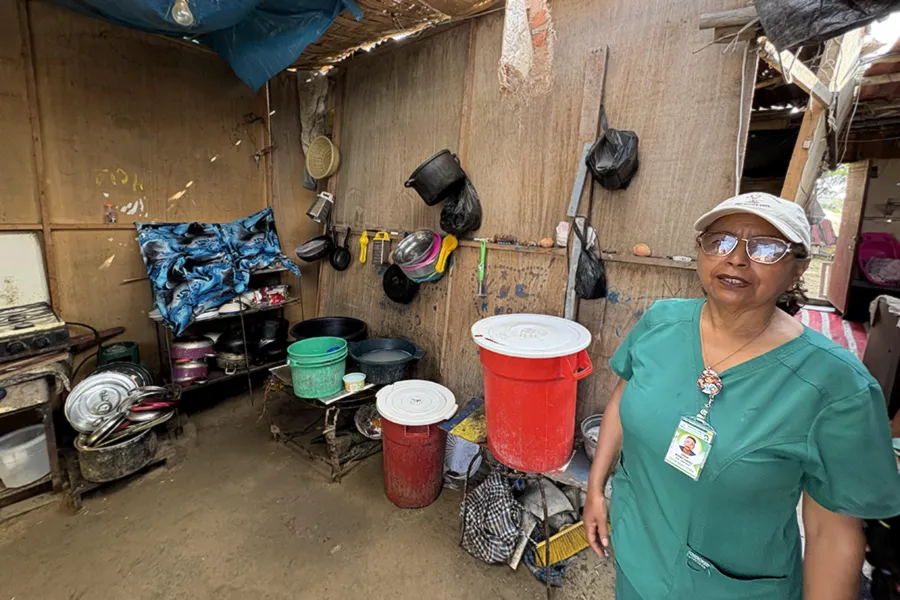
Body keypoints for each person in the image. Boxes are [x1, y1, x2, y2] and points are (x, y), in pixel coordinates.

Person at [582, 192, 900, 600]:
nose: (735, 259)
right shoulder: (661, 322)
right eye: (720, 242)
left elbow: (830, 534)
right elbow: (621, 401)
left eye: (766, 248)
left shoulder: (837, 387)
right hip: (637, 561)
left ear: (798, 267)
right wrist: (595, 488)